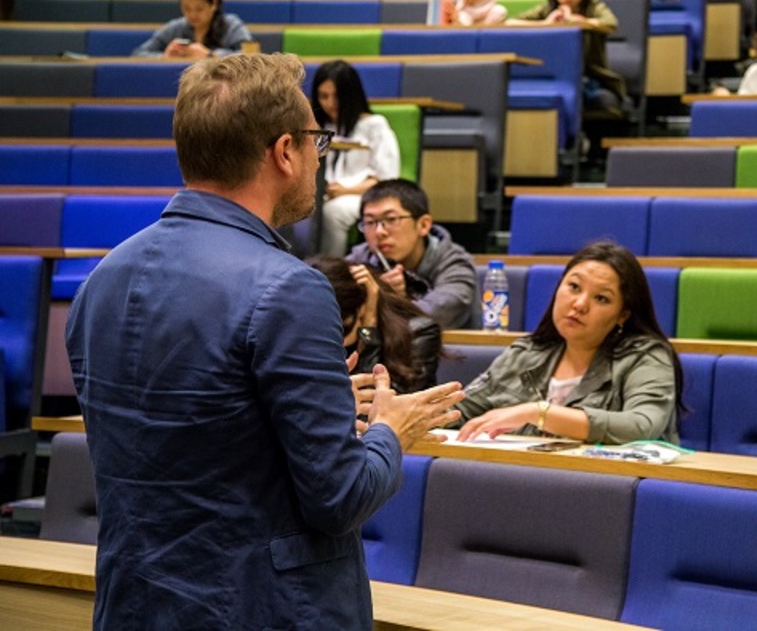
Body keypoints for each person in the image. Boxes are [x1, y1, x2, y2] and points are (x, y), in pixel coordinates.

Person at [65, 53, 465, 630]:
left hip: (134, 605)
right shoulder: (287, 287)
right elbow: (341, 497)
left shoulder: (104, 278)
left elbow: (186, 437)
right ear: (284, 151)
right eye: (314, 141)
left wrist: (308, 406)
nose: (317, 159)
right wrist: (389, 429)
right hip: (258, 610)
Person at [455, 241, 682, 445]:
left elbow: (642, 426)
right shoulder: (526, 353)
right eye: (574, 287)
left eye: (601, 298)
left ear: (622, 314)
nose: (580, 304)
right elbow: (459, 411)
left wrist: (539, 413)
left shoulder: (645, 356)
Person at [515, 0, 632, 160]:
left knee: (582, 89)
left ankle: (577, 145)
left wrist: (580, 21)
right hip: (555, 76)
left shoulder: (594, 7)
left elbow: (610, 24)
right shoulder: (548, 10)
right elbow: (509, 22)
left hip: (590, 74)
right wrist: (545, 24)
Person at [347, 178, 476, 330]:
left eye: (391, 219)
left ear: (423, 225)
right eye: (369, 222)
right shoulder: (359, 260)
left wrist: (391, 300)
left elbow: (438, 314)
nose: (379, 231)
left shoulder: (454, 263)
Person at [308, 255, 442, 393]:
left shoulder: (420, 332)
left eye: (341, 330)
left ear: (361, 309)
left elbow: (378, 406)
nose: (334, 342)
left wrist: (369, 333)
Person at [311, 60, 401, 255]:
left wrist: (346, 190)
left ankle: (330, 269)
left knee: (333, 213)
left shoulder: (375, 126)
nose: (330, 103)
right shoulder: (317, 127)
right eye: (323, 96)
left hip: (361, 194)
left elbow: (387, 179)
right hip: (322, 193)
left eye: (337, 96)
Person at [132, 0, 252, 59]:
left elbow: (250, 56)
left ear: (214, 4)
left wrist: (211, 55)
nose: (192, 15)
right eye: (186, 9)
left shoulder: (231, 25)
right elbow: (137, 54)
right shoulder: (176, 27)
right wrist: (164, 57)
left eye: (199, 9)